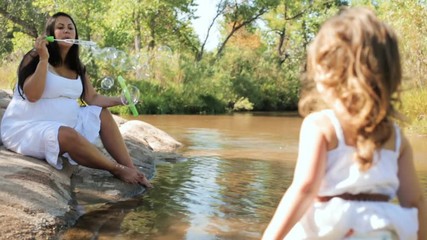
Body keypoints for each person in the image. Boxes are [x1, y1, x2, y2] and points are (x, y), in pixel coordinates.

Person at [262, 7, 426, 240]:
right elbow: (415, 201)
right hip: (383, 230)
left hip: (332, 227)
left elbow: (305, 189)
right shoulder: (396, 138)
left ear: (325, 73)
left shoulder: (320, 125)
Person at [1, 12, 152, 188]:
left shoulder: (77, 66)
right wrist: (43, 58)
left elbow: (92, 98)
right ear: (51, 33)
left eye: (71, 28)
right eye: (60, 27)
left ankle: (132, 169)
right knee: (68, 134)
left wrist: (121, 100)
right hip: (28, 127)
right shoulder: (35, 57)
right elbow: (32, 95)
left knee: (100, 113)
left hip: (65, 124)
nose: (67, 31)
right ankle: (116, 169)